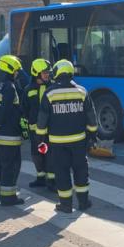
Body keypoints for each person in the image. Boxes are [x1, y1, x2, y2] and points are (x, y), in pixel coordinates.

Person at [36, 59, 98, 213]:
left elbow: (42, 121)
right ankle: (83, 202)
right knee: (81, 171)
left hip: (57, 143)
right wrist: (92, 136)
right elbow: (92, 118)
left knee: (62, 173)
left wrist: (40, 140)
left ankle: (65, 205)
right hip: (79, 141)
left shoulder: (49, 93)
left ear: (56, 73)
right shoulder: (82, 91)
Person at [0, 55, 26, 205]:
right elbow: (5, 110)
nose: (16, 74)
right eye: (15, 71)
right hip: (9, 136)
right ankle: (8, 197)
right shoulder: (9, 87)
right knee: (11, 167)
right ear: (9, 70)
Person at [25, 58, 54, 190]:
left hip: (50, 130)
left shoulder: (53, 87)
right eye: (44, 73)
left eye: (48, 72)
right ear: (36, 73)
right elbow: (23, 109)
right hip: (34, 130)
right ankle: (40, 177)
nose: (47, 75)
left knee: (50, 154)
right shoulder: (28, 89)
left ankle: (52, 181)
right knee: (37, 154)